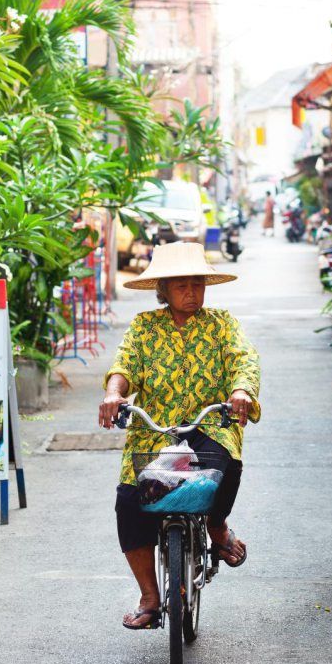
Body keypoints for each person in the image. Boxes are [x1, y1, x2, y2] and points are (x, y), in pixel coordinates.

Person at [99, 242, 261, 630]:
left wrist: (240, 391)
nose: (192, 293)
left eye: (197, 284)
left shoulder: (221, 323)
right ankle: (150, 597)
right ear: (164, 290)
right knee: (129, 501)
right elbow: (125, 364)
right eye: (181, 286)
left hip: (210, 423)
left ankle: (217, 527)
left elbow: (244, 359)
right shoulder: (144, 327)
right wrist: (114, 393)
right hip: (155, 428)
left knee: (227, 466)